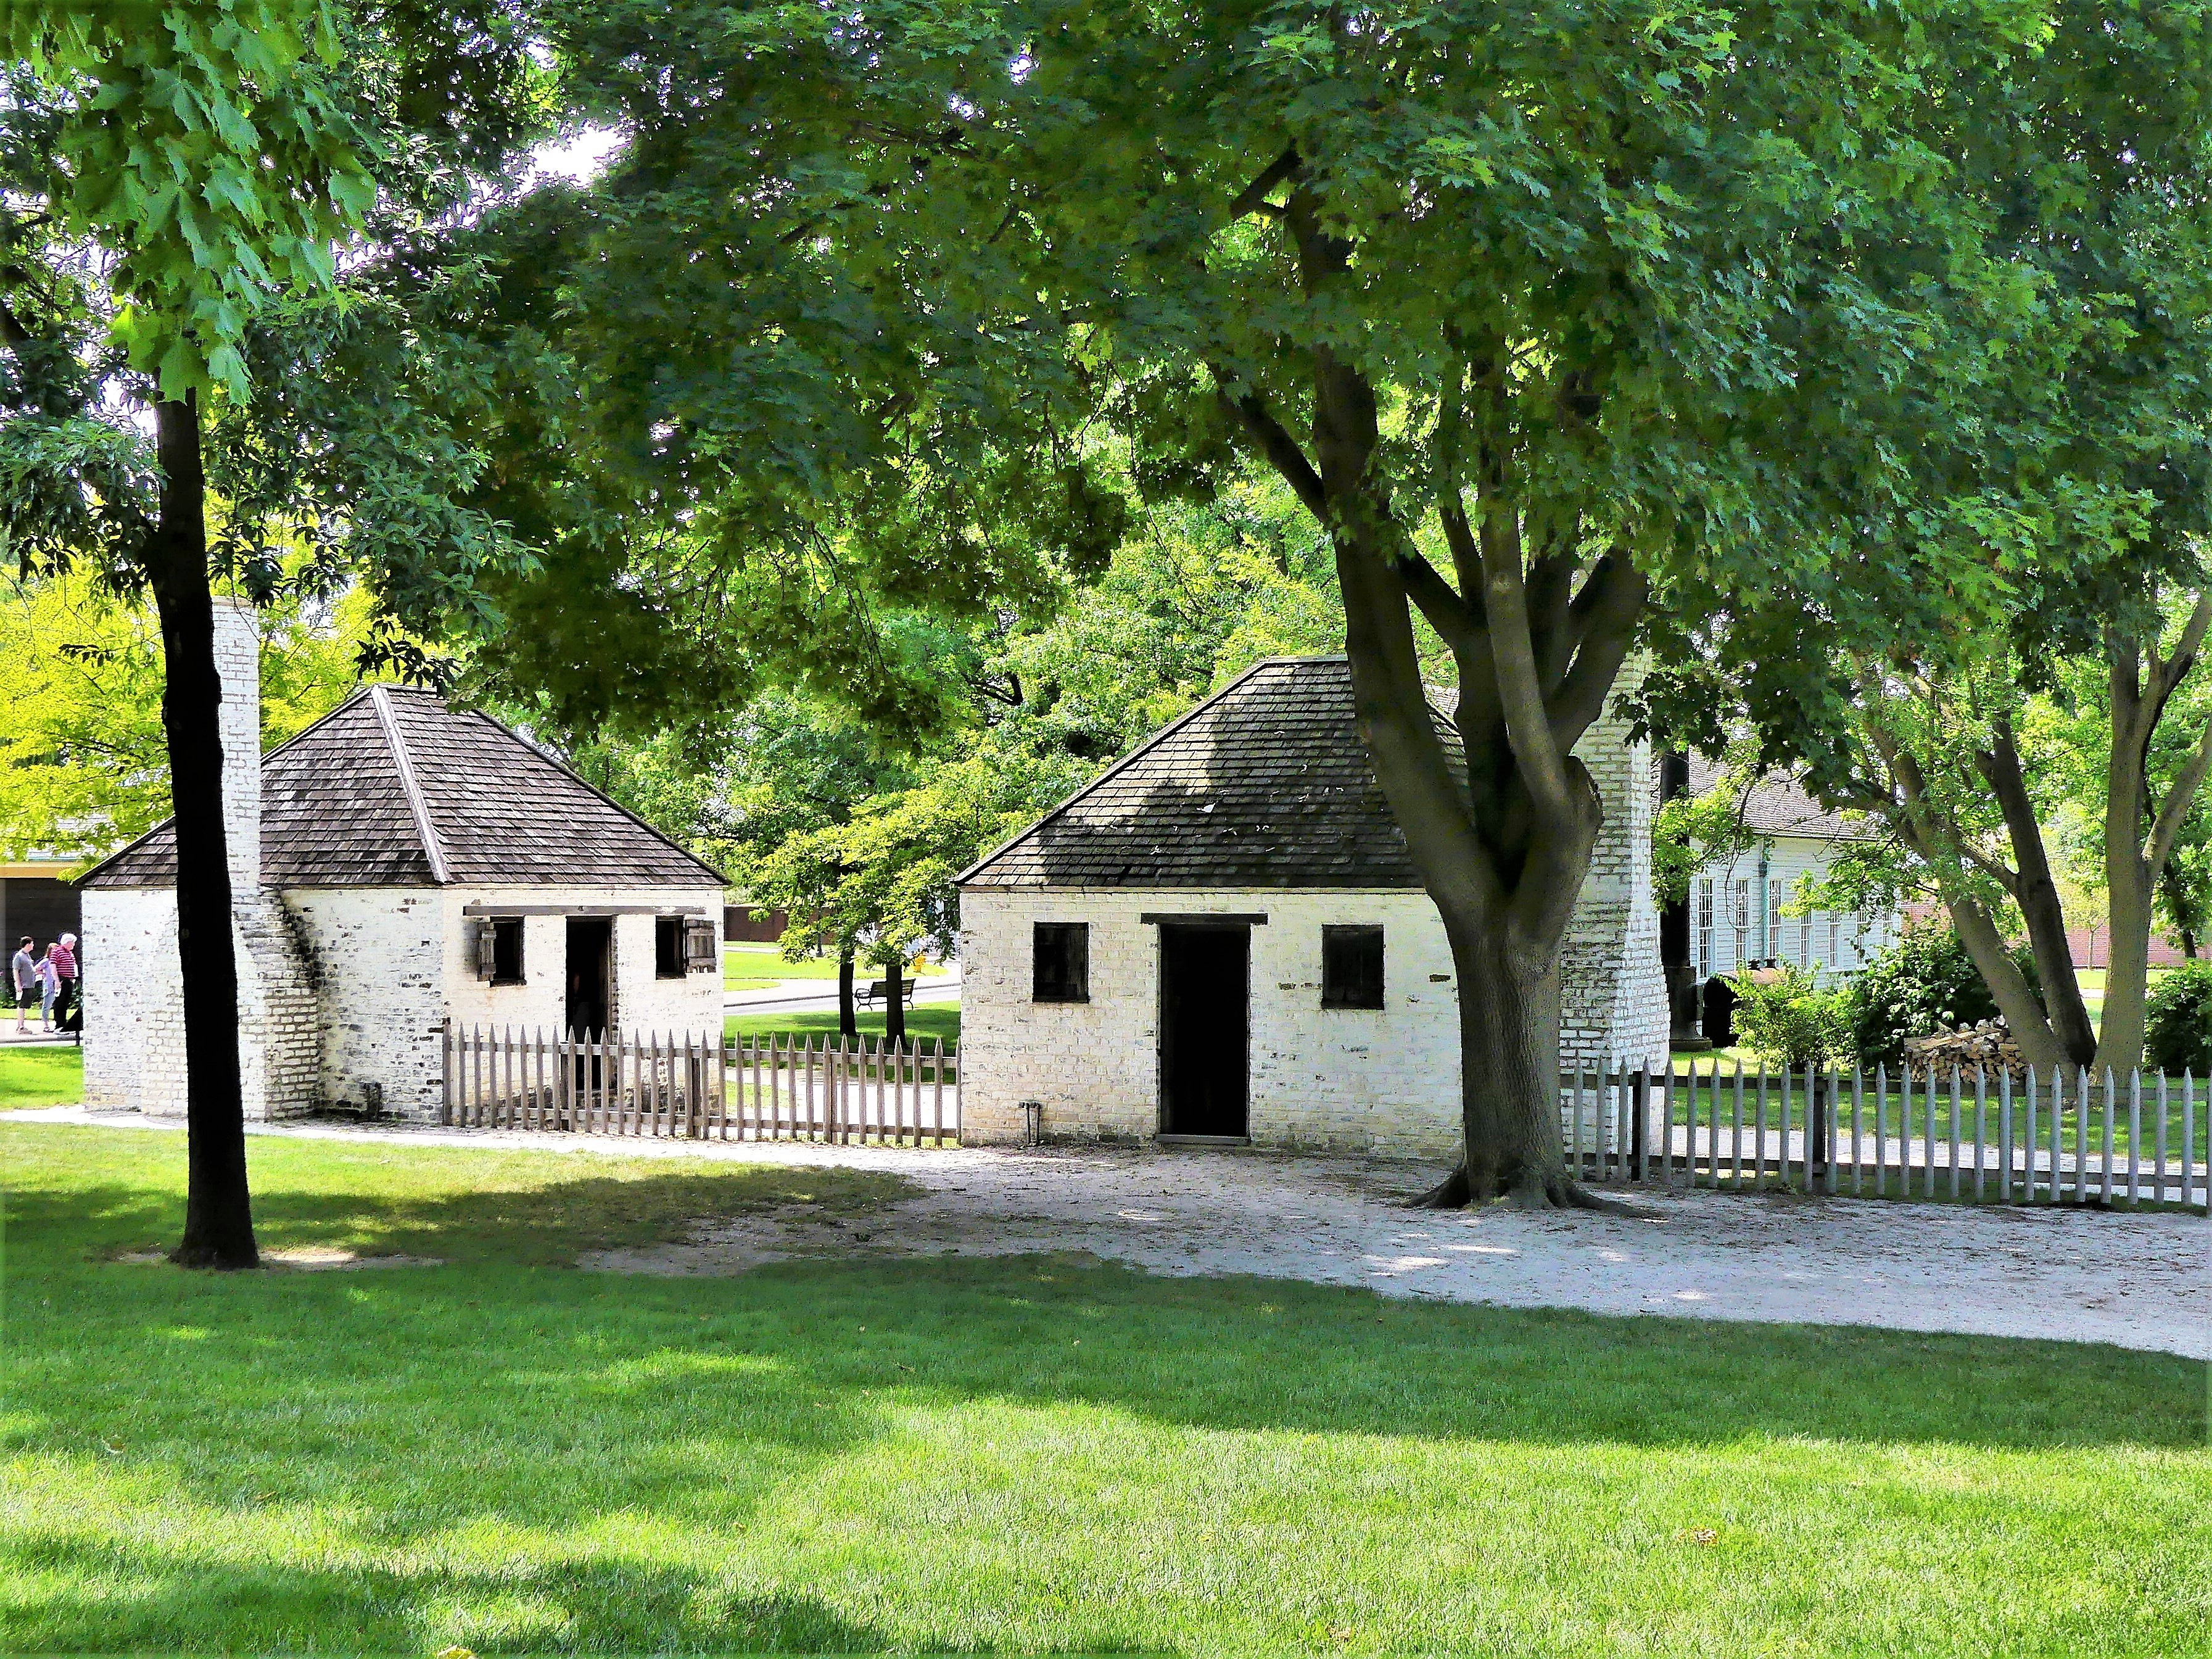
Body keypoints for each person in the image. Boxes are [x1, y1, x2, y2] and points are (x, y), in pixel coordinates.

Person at [46, 932, 77, 1031]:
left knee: (65, 1003)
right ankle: (59, 1025)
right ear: (67, 942)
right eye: (72, 943)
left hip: (69, 980)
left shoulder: (70, 953)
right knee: (60, 1002)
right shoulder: (57, 951)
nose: (73, 945)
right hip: (61, 979)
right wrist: (57, 980)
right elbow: (53, 966)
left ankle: (64, 1024)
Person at [10, 936, 33, 1034]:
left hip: (29, 985)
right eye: (32, 944)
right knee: (22, 1006)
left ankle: (21, 1026)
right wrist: (18, 985)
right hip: (24, 985)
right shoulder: (19, 956)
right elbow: (15, 970)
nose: (33, 946)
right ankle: (21, 1027)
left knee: (25, 1005)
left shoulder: (27, 956)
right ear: (28, 944)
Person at [35, 948, 57, 1032]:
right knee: (47, 1005)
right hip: (49, 985)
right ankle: (45, 1024)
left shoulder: (58, 961)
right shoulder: (46, 961)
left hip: (57, 986)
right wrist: (44, 973)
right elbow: (35, 969)